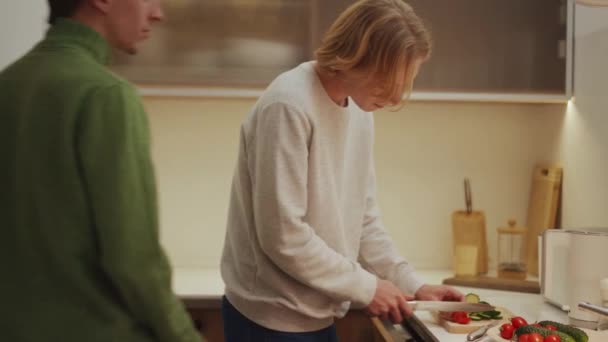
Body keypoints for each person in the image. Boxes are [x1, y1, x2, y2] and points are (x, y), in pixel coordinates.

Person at [220, 0, 464, 341]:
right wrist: (367, 287)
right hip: (269, 319)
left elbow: (363, 221)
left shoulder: (360, 108)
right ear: (357, 57)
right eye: (389, 80)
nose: (396, 97)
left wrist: (413, 285)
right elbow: (283, 235)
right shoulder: (288, 105)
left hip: (318, 314)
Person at [0, 1, 202, 341]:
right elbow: (133, 259)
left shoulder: (8, 84)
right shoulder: (106, 95)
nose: (158, 13)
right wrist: (184, 335)